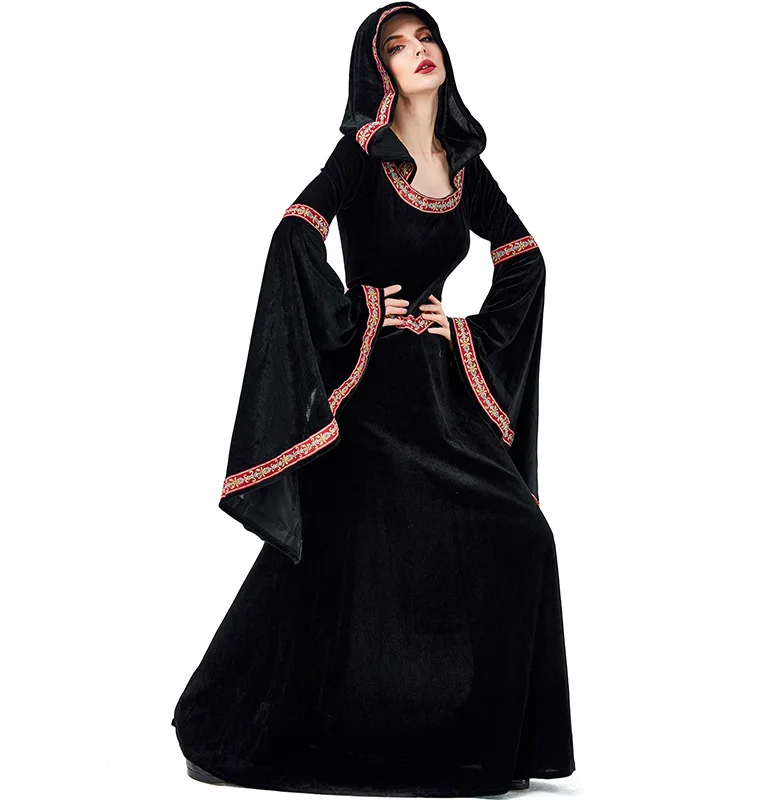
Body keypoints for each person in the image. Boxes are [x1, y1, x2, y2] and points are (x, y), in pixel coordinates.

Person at [171, 3, 576, 795]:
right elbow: (294, 233)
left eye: (427, 38)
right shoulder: (362, 153)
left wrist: (462, 328)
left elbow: (526, 260)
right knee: (335, 553)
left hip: (436, 394)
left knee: (520, 534)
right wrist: (359, 311)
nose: (419, 51)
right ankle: (247, 715)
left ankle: (474, 732)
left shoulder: (465, 167)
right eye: (397, 46)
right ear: (377, 70)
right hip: (372, 397)